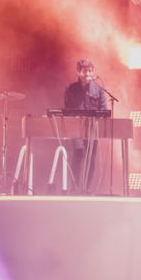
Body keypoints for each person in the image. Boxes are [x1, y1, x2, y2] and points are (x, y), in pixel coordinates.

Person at [62, 58, 106, 192]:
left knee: (91, 159)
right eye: (86, 71)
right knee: (79, 154)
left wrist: (98, 117)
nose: (88, 73)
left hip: (92, 129)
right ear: (79, 72)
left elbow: (103, 109)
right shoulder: (71, 89)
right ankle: (74, 188)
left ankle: (86, 189)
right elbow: (67, 109)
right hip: (76, 129)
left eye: (91, 71)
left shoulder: (99, 89)